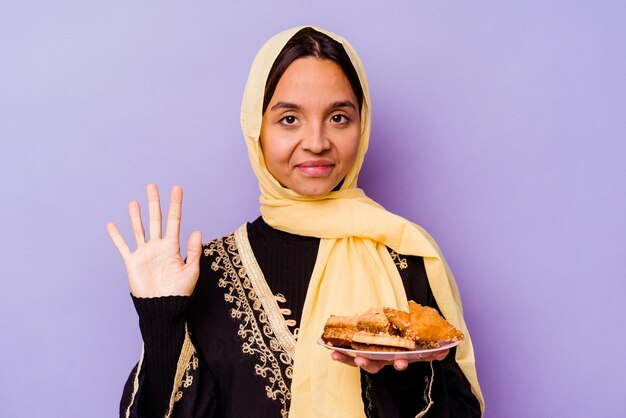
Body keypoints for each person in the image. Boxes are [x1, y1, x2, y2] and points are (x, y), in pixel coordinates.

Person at [107, 26, 484, 418]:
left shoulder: (405, 254)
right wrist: (160, 316)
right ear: (257, 129)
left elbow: (460, 411)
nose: (317, 141)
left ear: (362, 124)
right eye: (289, 119)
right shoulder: (207, 271)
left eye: (339, 117)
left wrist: (403, 376)